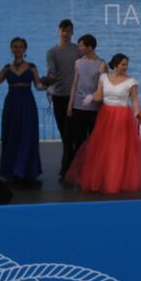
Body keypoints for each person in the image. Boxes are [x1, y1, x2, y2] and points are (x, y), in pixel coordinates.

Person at [65, 53, 141, 194]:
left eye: (126, 64)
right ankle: (104, 176)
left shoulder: (132, 82)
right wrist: (90, 97)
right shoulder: (104, 78)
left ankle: (119, 178)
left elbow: (134, 100)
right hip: (106, 115)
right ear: (115, 65)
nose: (125, 67)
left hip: (122, 116)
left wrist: (138, 114)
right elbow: (100, 94)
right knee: (103, 146)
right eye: (123, 64)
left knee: (120, 147)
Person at [0, 37, 43, 184]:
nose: (17, 49)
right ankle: (12, 169)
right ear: (11, 49)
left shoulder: (32, 67)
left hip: (27, 104)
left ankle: (25, 170)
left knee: (27, 135)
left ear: (25, 49)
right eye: (15, 47)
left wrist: (50, 86)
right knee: (12, 135)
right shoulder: (6, 68)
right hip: (11, 104)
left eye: (20, 47)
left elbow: (38, 86)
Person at [64, 34, 105, 180]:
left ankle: (95, 170)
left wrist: (94, 98)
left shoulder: (101, 64)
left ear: (90, 47)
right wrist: (70, 105)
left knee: (95, 141)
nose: (79, 48)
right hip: (78, 107)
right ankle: (80, 171)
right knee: (79, 141)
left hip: (94, 108)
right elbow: (75, 84)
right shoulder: (78, 63)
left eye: (81, 45)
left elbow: (102, 87)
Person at [45, 19, 80, 178]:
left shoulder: (78, 50)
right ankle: (71, 166)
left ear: (72, 32)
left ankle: (67, 167)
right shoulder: (52, 52)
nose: (65, 33)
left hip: (76, 97)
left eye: (68, 31)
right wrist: (46, 85)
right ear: (58, 31)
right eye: (63, 30)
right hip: (59, 96)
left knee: (74, 134)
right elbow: (52, 73)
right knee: (64, 134)